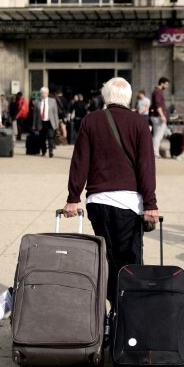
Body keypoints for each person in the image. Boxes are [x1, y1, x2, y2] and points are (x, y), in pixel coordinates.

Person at [61, 77, 159, 306]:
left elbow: (80, 162)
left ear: (105, 97)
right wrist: (151, 203)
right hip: (129, 203)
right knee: (130, 261)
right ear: (129, 97)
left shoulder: (90, 121)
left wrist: (73, 198)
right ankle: (125, 313)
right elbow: (146, 165)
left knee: (106, 258)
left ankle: (107, 311)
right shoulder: (138, 123)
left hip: (98, 201)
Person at [32, 86, 60, 157]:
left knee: (50, 136)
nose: (42, 94)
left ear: (47, 93)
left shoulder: (52, 101)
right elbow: (35, 114)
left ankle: (51, 151)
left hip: (50, 122)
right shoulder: (37, 101)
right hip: (41, 122)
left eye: (44, 93)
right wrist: (34, 124)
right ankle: (43, 151)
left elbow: (55, 113)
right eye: (41, 93)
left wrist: (57, 125)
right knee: (42, 138)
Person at [149, 77, 169, 158]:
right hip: (158, 116)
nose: (167, 86)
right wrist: (162, 115)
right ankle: (155, 153)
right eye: (166, 84)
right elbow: (158, 105)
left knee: (157, 135)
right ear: (162, 83)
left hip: (156, 116)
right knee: (158, 136)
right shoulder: (158, 92)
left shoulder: (157, 91)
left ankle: (155, 152)